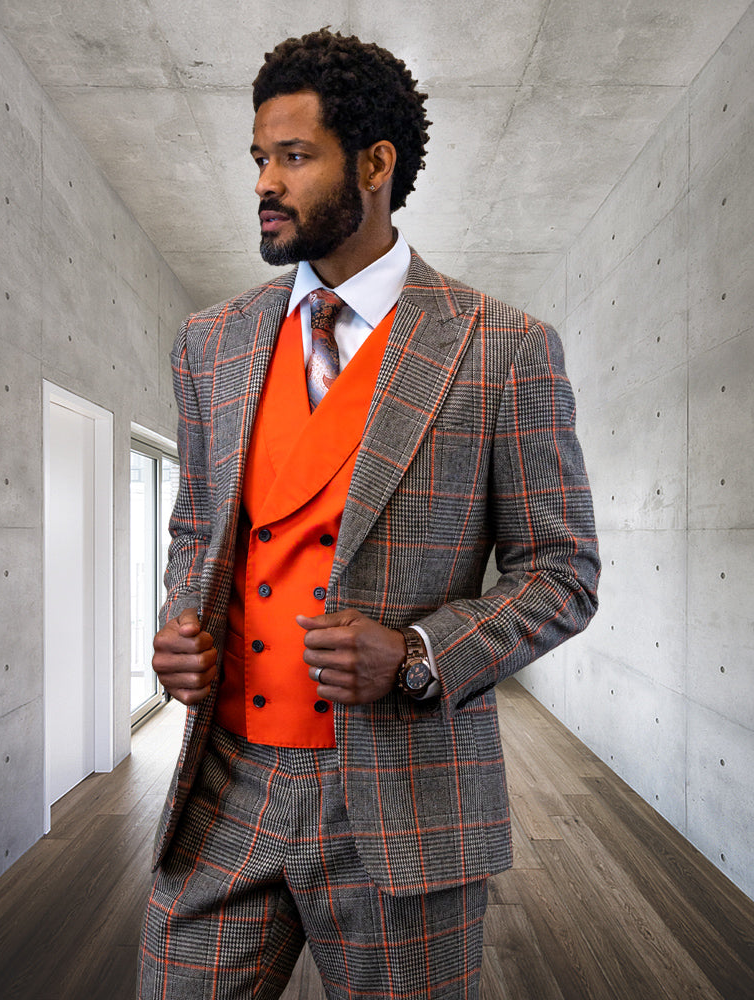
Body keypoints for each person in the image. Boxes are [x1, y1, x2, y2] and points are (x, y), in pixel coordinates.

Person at [137, 28, 599, 1000]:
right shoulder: (209, 345)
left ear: (376, 165)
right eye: (260, 157)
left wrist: (419, 653)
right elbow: (199, 526)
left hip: (402, 802)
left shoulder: (503, 347)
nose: (265, 180)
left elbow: (562, 574)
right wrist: (183, 621)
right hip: (225, 793)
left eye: (294, 157)